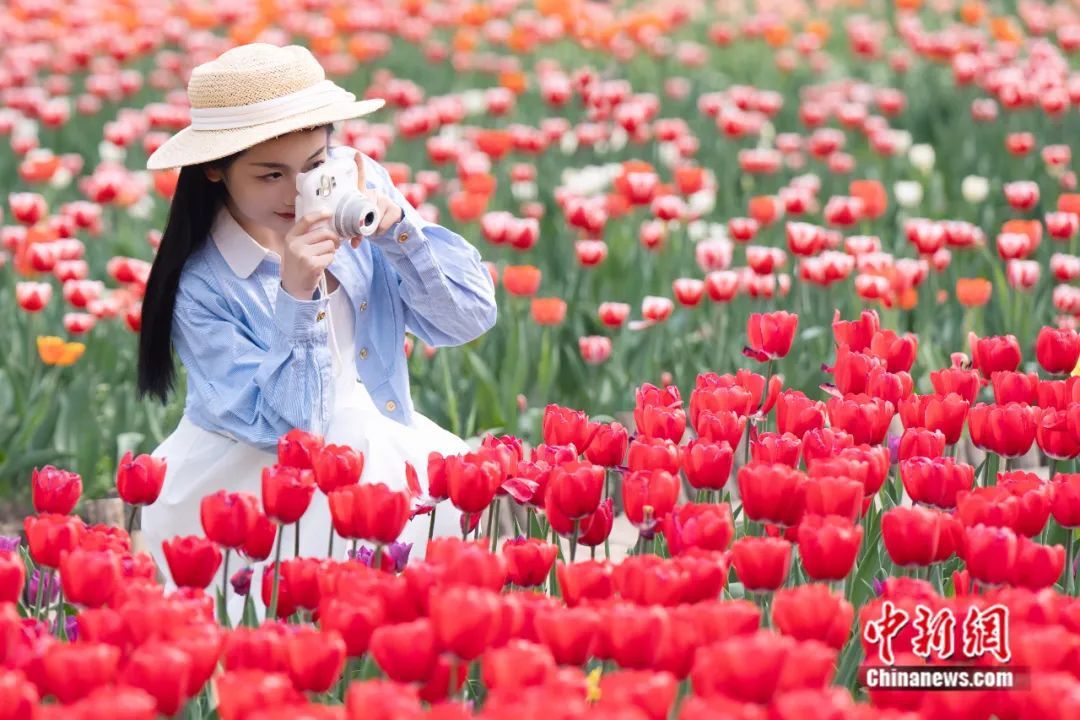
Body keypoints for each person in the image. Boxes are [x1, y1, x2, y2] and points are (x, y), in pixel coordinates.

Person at [135, 43, 497, 621]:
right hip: (253, 477)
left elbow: (468, 319)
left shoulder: (353, 182)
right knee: (284, 623)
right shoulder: (203, 286)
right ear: (214, 169)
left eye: (313, 164)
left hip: (377, 442)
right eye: (269, 174)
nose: (296, 193)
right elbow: (289, 432)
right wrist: (297, 294)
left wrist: (398, 231)